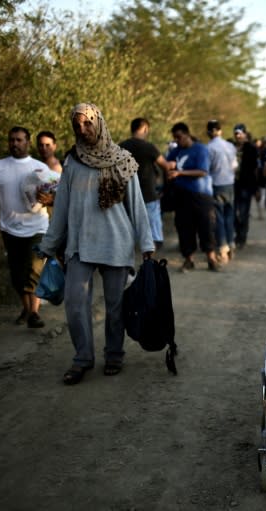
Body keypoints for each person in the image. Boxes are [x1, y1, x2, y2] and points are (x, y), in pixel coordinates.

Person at [38, 103, 154, 385]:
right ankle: (83, 359)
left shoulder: (122, 159)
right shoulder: (72, 161)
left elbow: (137, 206)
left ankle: (114, 354)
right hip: (80, 244)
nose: (83, 129)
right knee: (75, 303)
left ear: (99, 123)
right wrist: (49, 244)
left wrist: (147, 243)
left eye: (87, 123)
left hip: (116, 243)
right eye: (77, 125)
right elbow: (62, 208)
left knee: (115, 306)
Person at [0, 126, 51, 328]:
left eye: (19, 140)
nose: (15, 143)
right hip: (10, 229)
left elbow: (55, 194)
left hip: (37, 227)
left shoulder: (39, 168)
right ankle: (27, 308)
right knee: (17, 274)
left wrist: (48, 199)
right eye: (12, 140)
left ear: (28, 142)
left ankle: (34, 313)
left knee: (34, 270)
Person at [165, 122, 220, 272]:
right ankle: (188, 259)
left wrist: (179, 173)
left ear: (187, 134)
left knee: (206, 226)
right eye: (175, 138)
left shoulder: (200, 149)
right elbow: (167, 163)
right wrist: (168, 166)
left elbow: (202, 171)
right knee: (184, 227)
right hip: (182, 195)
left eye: (179, 137)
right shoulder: (177, 150)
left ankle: (211, 258)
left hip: (201, 195)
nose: (177, 140)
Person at [120, 118, 176, 251]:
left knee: (130, 221)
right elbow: (164, 165)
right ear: (145, 129)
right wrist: (172, 164)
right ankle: (153, 247)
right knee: (152, 221)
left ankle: (129, 248)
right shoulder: (148, 147)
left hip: (128, 192)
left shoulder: (121, 146)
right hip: (148, 192)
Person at [205, 120, 236, 264]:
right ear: (220, 130)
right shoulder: (230, 146)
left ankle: (223, 247)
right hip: (229, 184)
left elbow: (207, 168)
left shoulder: (209, 148)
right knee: (229, 215)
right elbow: (235, 166)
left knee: (219, 217)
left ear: (208, 132)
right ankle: (231, 243)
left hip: (216, 184)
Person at [232, 123, 259, 250]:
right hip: (232, 184)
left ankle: (241, 237)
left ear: (244, 134)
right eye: (236, 133)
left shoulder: (251, 148)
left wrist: (256, 188)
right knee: (232, 213)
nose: (238, 136)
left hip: (246, 185)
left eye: (240, 133)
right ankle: (237, 234)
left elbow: (255, 170)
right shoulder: (230, 147)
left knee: (243, 213)